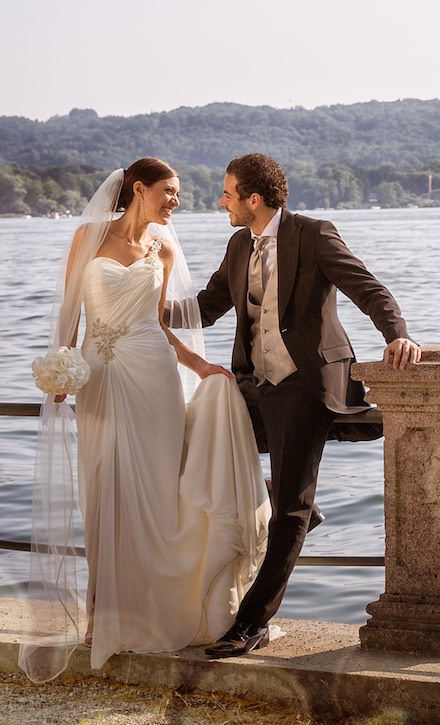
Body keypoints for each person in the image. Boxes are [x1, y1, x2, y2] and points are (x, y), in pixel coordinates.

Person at [20, 158, 268, 681]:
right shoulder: (88, 237)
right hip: (100, 378)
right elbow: (69, 314)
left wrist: (200, 366)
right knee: (103, 488)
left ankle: (161, 607)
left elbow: (158, 325)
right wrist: (61, 366)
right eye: (169, 191)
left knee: (158, 492)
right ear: (139, 188)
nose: (176, 200)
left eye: (178, 193)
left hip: (155, 377)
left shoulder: (164, 248)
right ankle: (101, 614)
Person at [186, 152, 420, 659]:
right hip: (252, 385)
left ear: (253, 199)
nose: (221, 202)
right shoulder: (238, 245)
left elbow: (367, 288)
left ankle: (251, 622)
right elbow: (206, 307)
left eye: (227, 194)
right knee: (199, 447)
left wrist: (397, 336)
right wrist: (141, 309)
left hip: (304, 384)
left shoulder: (313, 235)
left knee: (287, 508)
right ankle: (304, 506)